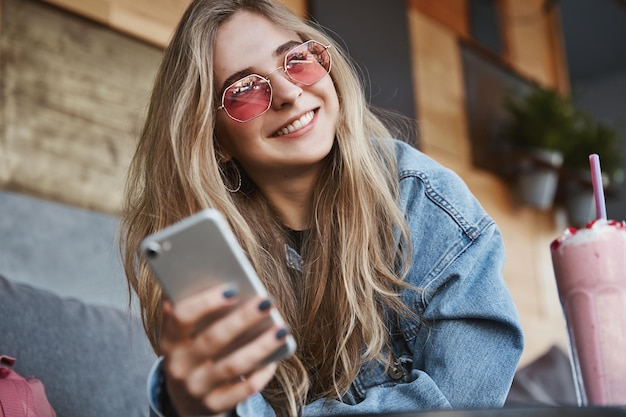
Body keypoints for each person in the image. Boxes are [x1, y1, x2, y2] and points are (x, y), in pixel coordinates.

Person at [119, 0, 524, 416]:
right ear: (215, 139)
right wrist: (188, 405)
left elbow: (459, 404)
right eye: (244, 89)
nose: (290, 93)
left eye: (296, 60)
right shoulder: (210, 260)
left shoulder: (425, 201)